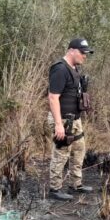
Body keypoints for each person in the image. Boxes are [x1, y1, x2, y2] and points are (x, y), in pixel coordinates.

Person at [45, 38, 94, 201]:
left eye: (86, 53)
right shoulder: (60, 69)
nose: (84, 56)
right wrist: (58, 124)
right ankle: (55, 189)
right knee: (61, 153)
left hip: (75, 118)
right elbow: (53, 97)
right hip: (63, 119)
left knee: (79, 149)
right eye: (82, 52)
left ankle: (75, 184)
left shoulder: (74, 68)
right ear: (71, 50)